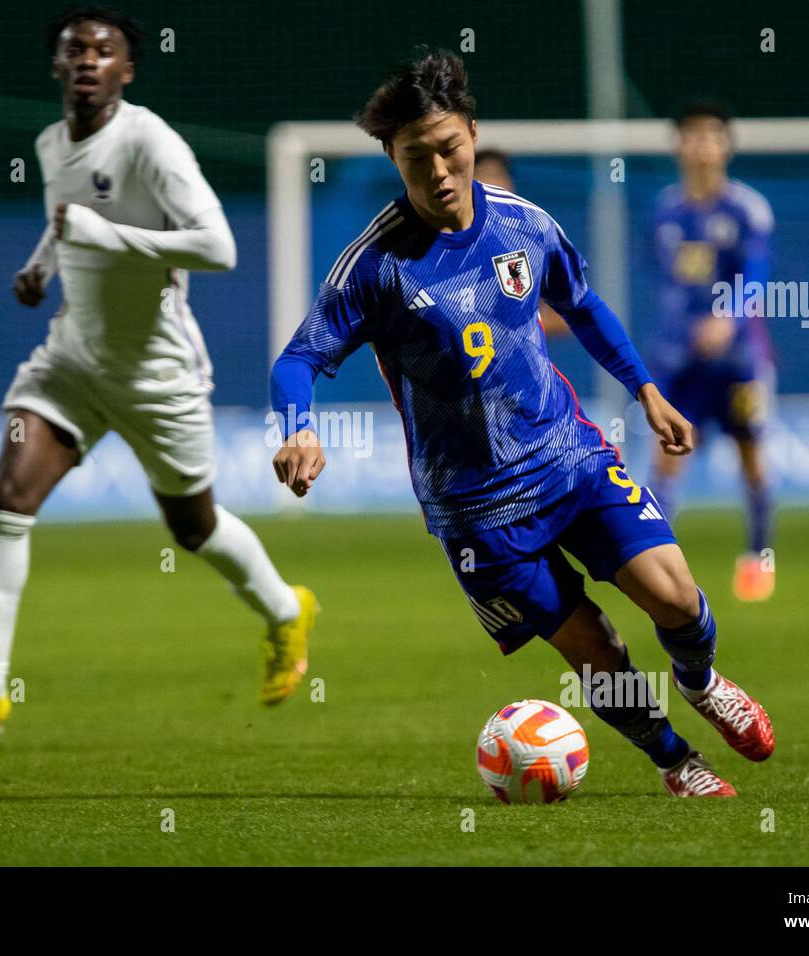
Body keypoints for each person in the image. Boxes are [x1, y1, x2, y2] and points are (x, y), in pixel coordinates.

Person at [270, 51, 773, 796]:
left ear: (472, 133)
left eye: (450, 149)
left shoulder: (522, 224)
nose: (439, 171)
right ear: (393, 158)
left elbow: (584, 304)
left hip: (568, 458)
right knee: (596, 651)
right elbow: (297, 359)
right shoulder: (375, 265)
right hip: (477, 510)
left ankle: (701, 681)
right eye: (417, 159)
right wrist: (298, 426)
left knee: (675, 597)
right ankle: (677, 761)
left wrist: (644, 390)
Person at [0, 6, 316, 731]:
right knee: (9, 498)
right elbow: (66, 215)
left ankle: (287, 610)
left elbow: (219, 247)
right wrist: (41, 267)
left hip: (159, 375)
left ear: (126, 70)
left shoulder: (150, 142)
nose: (88, 60)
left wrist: (109, 235)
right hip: (70, 361)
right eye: (75, 50)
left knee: (192, 529)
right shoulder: (48, 143)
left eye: (104, 51)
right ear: (58, 66)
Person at [650, 100, 777, 601]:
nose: (702, 145)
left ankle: (758, 558)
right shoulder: (664, 211)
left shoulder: (747, 209)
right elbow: (666, 284)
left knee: (751, 458)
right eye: (693, 135)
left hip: (739, 363)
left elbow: (758, 275)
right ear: (678, 144)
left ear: (726, 145)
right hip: (680, 364)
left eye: (711, 136)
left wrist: (729, 317)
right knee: (666, 460)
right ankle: (658, 566)